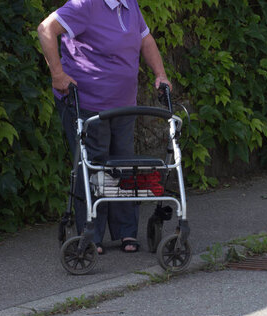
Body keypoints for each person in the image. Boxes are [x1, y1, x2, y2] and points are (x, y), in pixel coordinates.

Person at [37, 0, 172, 254]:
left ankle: (125, 232)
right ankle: (92, 234)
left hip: (123, 105)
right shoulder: (85, 4)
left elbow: (146, 40)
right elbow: (45, 29)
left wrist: (160, 74)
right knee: (93, 165)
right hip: (88, 104)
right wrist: (57, 74)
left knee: (124, 165)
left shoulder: (129, 4)